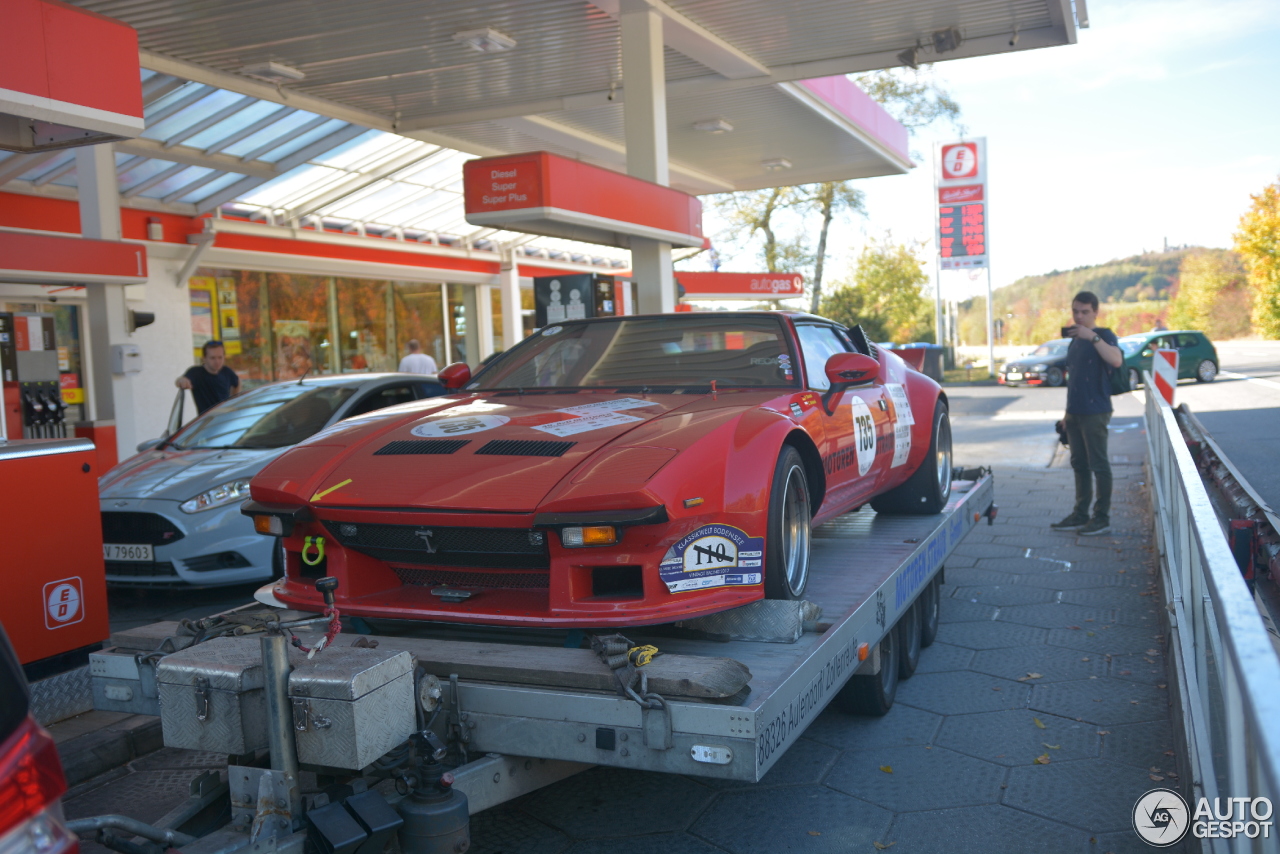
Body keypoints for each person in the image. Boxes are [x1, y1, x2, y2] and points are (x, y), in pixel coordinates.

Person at [1051, 291, 1124, 536]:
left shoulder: (1103, 335)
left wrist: (1092, 337)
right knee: (1079, 464)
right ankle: (1080, 513)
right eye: (1075, 311)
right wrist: (1066, 415)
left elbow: (1116, 360)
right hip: (1075, 412)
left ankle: (1101, 518)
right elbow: (1075, 380)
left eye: (1084, 312)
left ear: (1095, 312)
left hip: (1096, 411)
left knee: (1099, 465)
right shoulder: (1075, 340)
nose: (1079, 316)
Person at [176, 340, 240, 415]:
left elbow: (237, 382)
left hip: (225, 419)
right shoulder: (196, 373)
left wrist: (233, 401)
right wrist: (182, 381)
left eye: (220, 357)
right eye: (212, 358)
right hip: (208, 422)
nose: (217, 361)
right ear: (204, 358)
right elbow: (181, 380)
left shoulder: (227, 371)